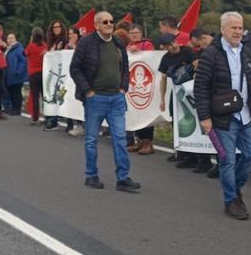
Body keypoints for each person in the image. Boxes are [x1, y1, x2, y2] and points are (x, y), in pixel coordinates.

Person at [195, 12, 251, 220]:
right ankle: (231, 201)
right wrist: (205, 117)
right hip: (222, 117)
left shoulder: (246, 52)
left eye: (240, 28)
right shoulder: (211, 54)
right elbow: (201, 88)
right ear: (223, 29)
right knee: (228, 161)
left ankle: (235, 188)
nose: (238, 32)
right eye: (234, 28)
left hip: (246, 115)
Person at [70, 11, 140, 193]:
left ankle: (123, 178)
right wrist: (88, 91)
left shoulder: (118, 42)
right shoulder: (86, 43)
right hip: (96, 99)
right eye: (105, 22)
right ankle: (91, 175)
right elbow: (75, 68)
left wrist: (123, 88)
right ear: (97, 25)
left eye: (111, 21)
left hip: (116, 98)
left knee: (120, 139)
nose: (110, 24)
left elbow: (125, 67)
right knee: (92, 139)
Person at [156, 32, 205, 171]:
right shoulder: (165, 59)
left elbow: (197, 64)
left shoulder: (187, 51)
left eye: (173, 42)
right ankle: (184, 153)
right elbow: (163, 78)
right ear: (164, 47)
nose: (173, 46)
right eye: (169, 45)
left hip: (191, 88)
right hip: (177, 90)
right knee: (176, 119)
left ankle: (200, 157)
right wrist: (162, 98)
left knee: (194, 119)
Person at [127, 24, 156, 155]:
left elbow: (152, 59)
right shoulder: (127, 47)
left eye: (136, 32)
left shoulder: (147, 45)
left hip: (146, 83)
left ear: (141, 33)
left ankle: (148, 142)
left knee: (146, 112)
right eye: (132, 32)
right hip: (132, 84)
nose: (134, 34)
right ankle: (139, 139)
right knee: (136, 112)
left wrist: (138, 52)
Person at [41, 21, 70, 132]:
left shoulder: (64, 40)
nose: (56, 29)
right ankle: (51, 118)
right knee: (52, 95)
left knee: (61, 95)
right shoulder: (53, 42)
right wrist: (48, 52)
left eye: (58, 27)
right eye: (54, 27)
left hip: (62, 73)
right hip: (53, 73)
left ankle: (57, 120)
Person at [24, 28, 48, 124]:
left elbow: (24, 53)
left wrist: (30, 42)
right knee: (44, 96)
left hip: (33, 73)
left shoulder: (31, 46)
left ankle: (35, 118)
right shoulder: (45, 46)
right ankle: (47, 116)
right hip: (43, 73)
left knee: (35, 96)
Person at [4, 32, 27, 116]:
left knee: (16, 92)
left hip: (16, 75)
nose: (10, 40)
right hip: (9, 75)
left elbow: (24, 61)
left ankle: (17, 109)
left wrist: (18, 71)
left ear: (15, 39)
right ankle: (13, 108)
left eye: (12, 38)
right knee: (11, 92)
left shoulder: (19, 49)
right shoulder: (8, 49)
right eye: (8, 38)